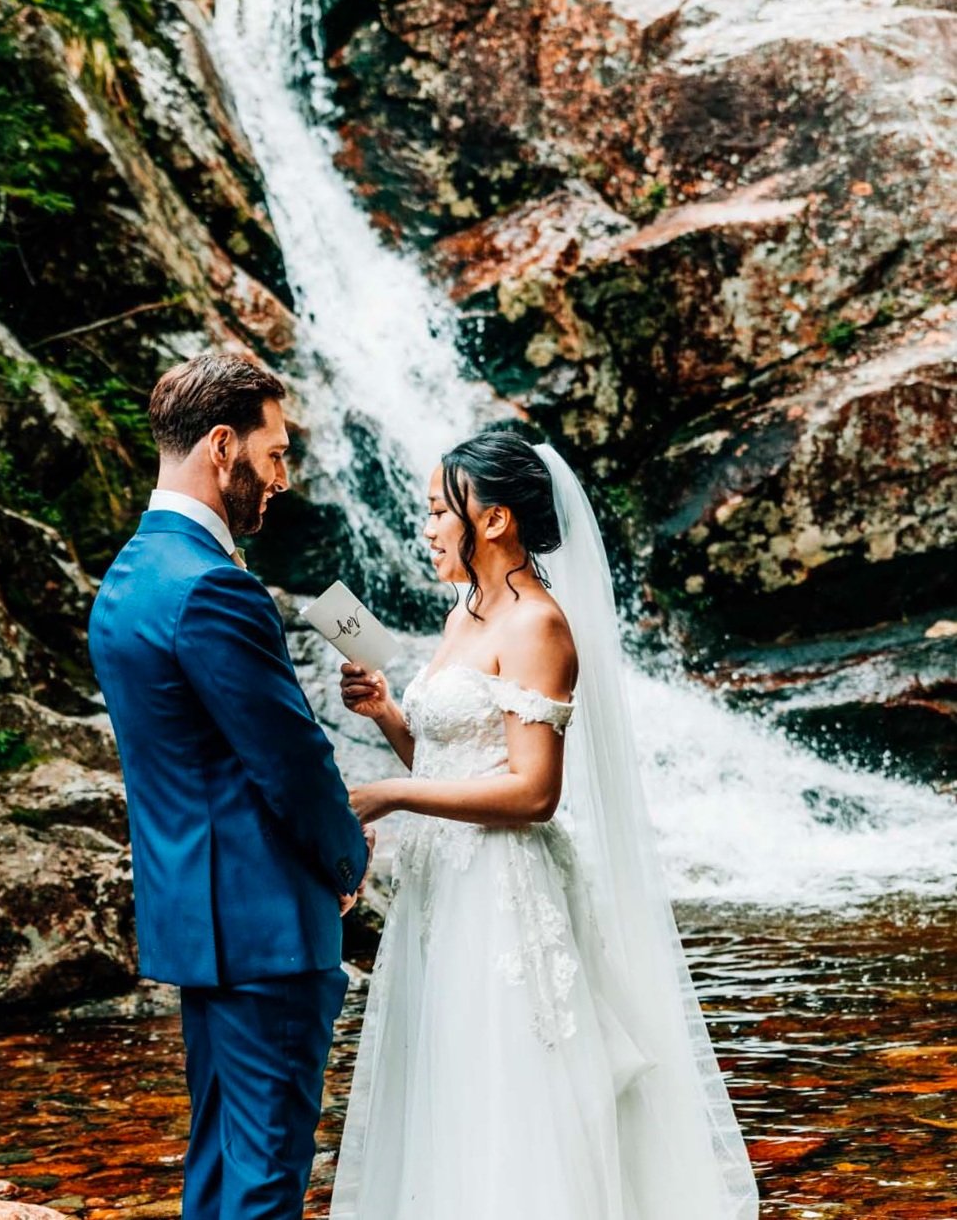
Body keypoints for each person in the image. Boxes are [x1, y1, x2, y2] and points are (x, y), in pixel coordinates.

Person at [330, 431, 758, 1219]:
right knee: (450, 1087)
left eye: (436, 512)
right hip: (443, 888)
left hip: (502, 891)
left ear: (493, 521)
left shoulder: (539, 626)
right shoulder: (468, 612)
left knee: (510, 1094)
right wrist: (391, 713)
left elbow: (532, 794)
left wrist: (387, 794)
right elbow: (456, 759)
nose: (426, 530)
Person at [87, 352, 372, 1220]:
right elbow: (290, 759)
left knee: (218, 1165)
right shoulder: (215, 589)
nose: (282, 478)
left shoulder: (129, 579)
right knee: (264, 1177)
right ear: (223, 446)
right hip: (266, 927)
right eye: (276, 454)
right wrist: (347, 860)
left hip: (197, 921)